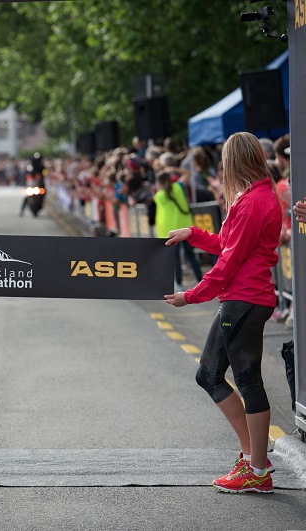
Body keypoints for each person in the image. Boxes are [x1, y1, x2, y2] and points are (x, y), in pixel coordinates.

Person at [164, 132, 281, 494]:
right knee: (209, 375)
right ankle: (253, 459)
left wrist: (192, 295)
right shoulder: (253, 197)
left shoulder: (252, 202)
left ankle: (257, 467)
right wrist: (193, 234)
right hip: (242, 297)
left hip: (245, 297)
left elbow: (228, 261)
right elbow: (227, 245)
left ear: (234, 162)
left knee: (246, 380)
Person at [154, 170, 203, 292]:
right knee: (190, 256)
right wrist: (173, 167)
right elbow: (187, 174)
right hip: (185, 228)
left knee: (175, 259)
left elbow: (160, 216)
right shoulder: (179, 187)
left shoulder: (159, 196)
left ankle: (179, 284)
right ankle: (200, 281)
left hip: (170, 231)